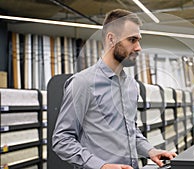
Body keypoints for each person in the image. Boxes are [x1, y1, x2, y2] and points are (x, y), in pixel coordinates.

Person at [52, 9, 177, 169]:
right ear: (111, 39)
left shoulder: (131, 85)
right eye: (132, 40)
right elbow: (62, 140)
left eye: (138, 40)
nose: (138, 48)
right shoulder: (82, 83)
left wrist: (150, 151)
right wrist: (101, 166)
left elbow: (130, 131)